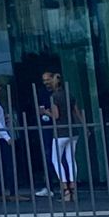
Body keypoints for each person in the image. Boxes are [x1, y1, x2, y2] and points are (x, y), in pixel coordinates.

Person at [47, 70, 82, 202]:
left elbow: (56, 116)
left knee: (56, 160)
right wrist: (85, 127)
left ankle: (65, 188)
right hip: (73, 131)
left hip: (60, 132)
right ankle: (73, 188)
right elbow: (77, 112)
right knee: (71, 159)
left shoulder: (54, 97)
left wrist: (45, 112)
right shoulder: (70, 95)